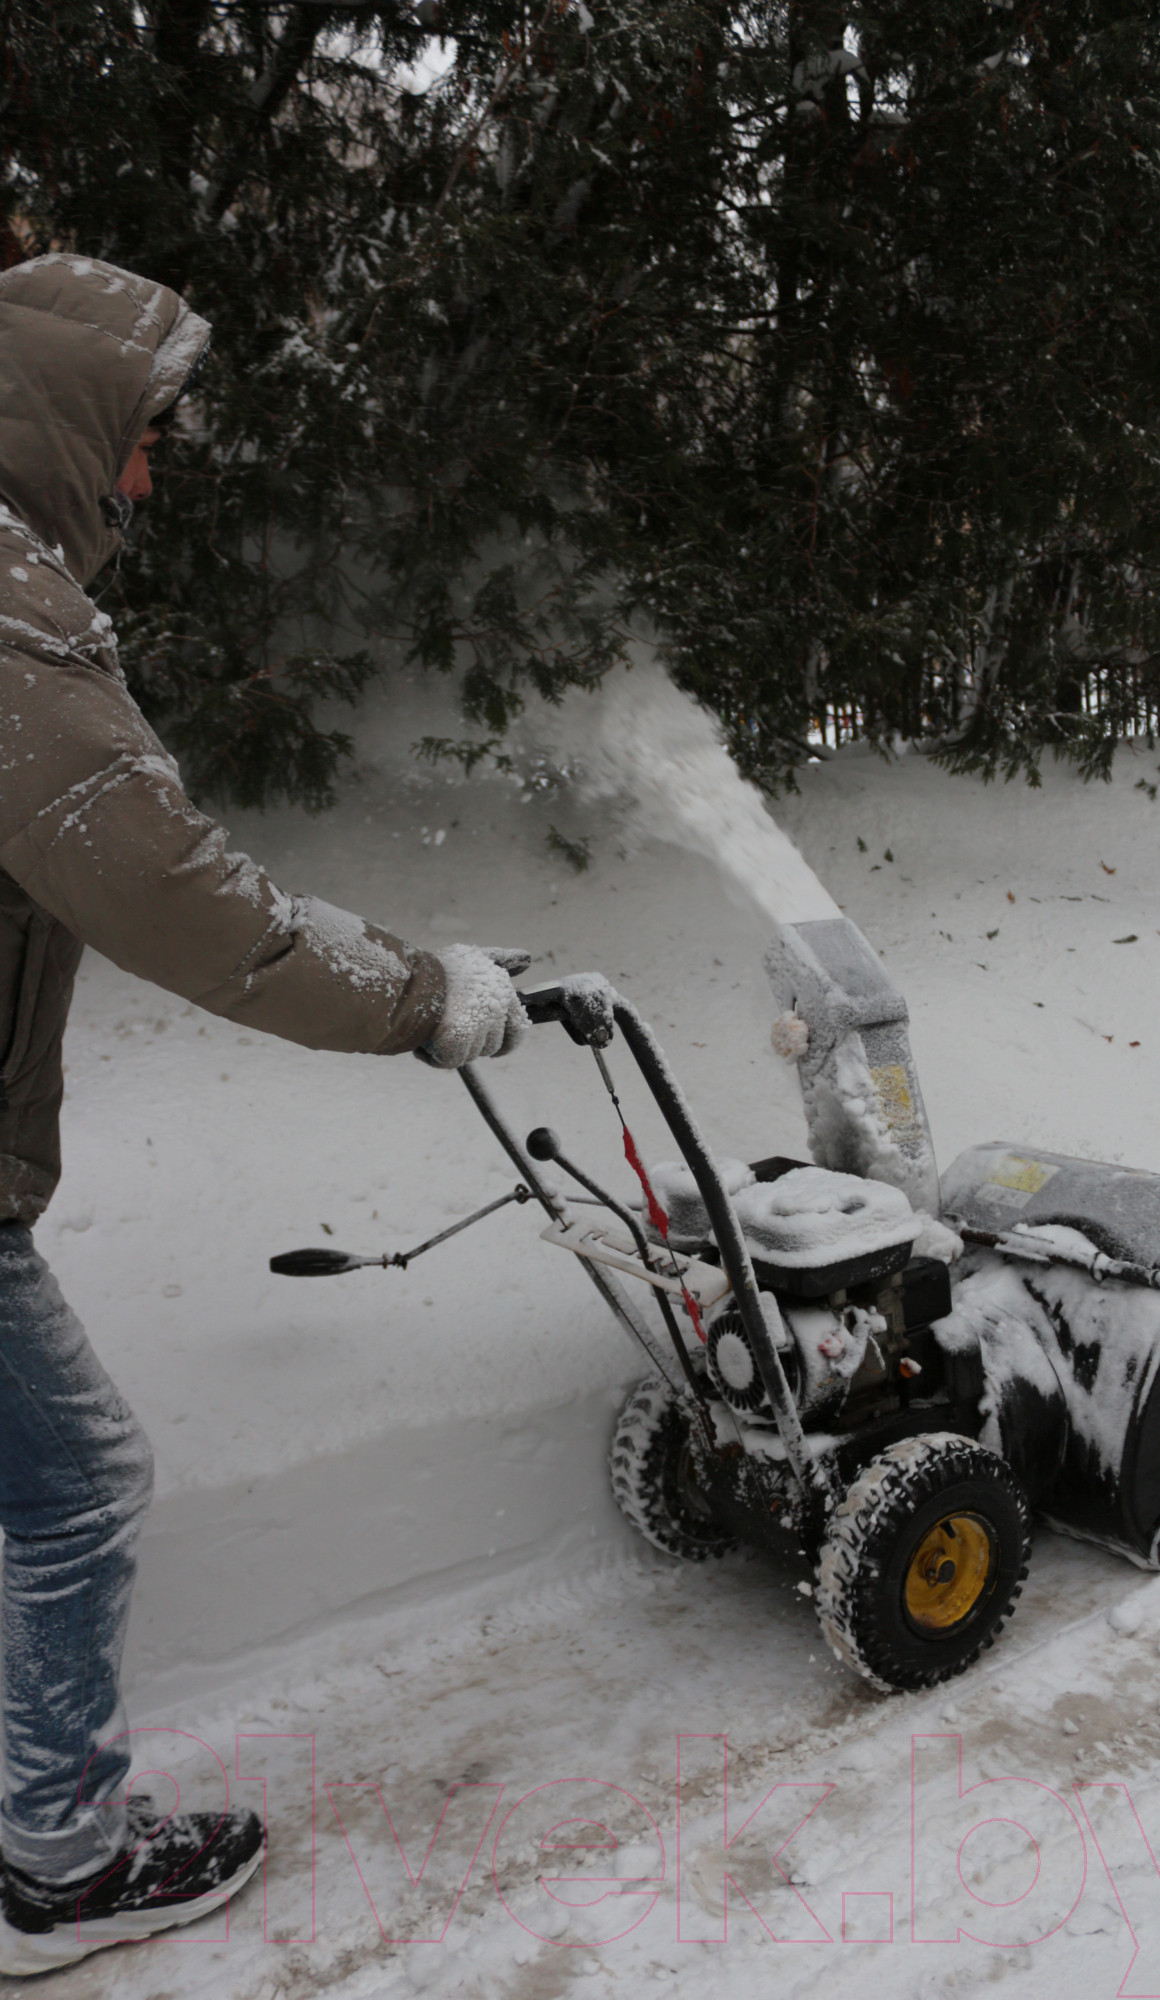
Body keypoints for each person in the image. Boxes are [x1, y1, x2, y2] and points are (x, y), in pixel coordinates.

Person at [0, 252, 526, 1972]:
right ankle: (57, 1862)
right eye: (144, 436)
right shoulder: (7, 640)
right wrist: (418, 997)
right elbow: (185, 901)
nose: (150, 475)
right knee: (74, 1492)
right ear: (66, 420)